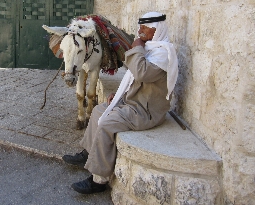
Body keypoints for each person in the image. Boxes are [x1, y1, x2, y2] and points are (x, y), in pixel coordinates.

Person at [62, 12, 179, 194]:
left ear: (157, 30)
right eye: (139, 27)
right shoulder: (150, 49)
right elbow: (134, 78)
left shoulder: (163, 53)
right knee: (99, 110)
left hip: (146, 111)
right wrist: (119, 94)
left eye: (144, 28)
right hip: (133, 102)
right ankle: (88, 153)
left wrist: (137, 48)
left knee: (107, 123)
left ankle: (99, 180)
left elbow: (141, 73)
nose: (139, 31)